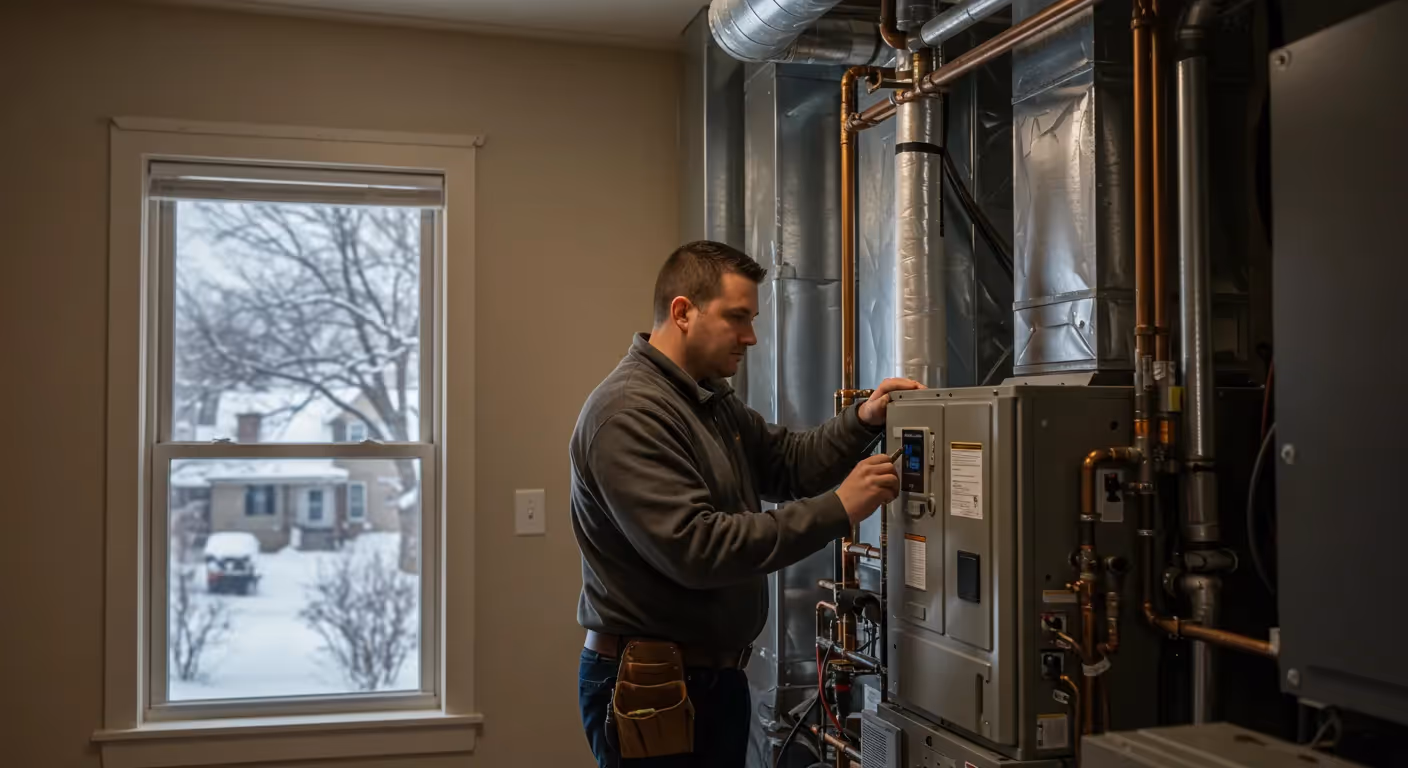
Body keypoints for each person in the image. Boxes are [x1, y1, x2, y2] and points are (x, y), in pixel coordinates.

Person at [570, 240, 922, 767]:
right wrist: (840, 508)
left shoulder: (706, 399)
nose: (751, 337)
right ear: (683, 312)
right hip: (655, 687)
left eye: (752, 319)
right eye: (737, 318)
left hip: (708, 680)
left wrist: (863, 421)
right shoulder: (629, 413)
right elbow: (699, 548)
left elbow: (789, 462)